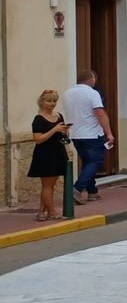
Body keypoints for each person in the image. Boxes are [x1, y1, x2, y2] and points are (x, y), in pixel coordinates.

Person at [62, 68, 114, 203]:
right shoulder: (92, 93)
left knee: (87, 162)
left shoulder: (67, 93)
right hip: (92, 134)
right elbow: (100, 113)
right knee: (94, 162)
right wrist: (109, 133)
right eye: (94, 81)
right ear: (91, 80)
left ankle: (92, 191)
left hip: (75, 134)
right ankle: (77, 189)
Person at [28, 90, 72, 221]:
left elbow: (62, 135)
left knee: (52, 185)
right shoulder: (38, 119)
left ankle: (41, 212)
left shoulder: (59, 116)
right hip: (45, 154)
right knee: (47, 185)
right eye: (49, 101)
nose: (52, 104)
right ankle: (51, 212)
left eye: (54, 101)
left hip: (58, 151)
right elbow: (38, 139)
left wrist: (64, 132)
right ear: (41, 102)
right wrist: (54, 129)